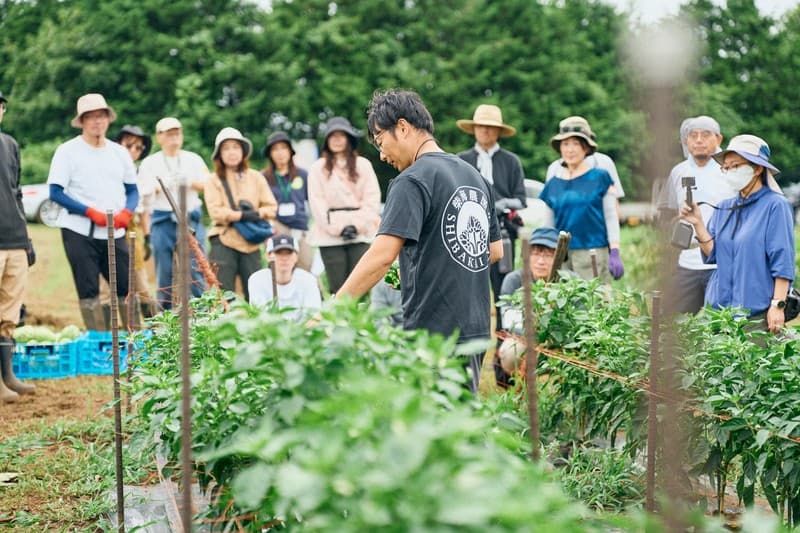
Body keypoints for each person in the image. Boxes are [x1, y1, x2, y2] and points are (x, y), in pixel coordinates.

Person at [336, 89, 503, 393]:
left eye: (380, 141)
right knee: (460, 424)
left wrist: (334, 308)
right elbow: (493, 251)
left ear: (402, 127)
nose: (382, 154)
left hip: (435, 334)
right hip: (476, 328)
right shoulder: (475, 177)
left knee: (433, 431)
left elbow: (382, 256)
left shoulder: (411, 181)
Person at [679, 134, 794, 333]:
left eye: (736, 166)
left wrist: (777, 305)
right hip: (720, 312)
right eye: (727, 167)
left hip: (755, 314)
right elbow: (713, 254)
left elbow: (782, 261)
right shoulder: (725, 207)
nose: (730, 171)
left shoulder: (775, 205)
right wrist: (698, 223)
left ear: (757, 169)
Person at [47, 93, 137, 330]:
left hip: (114, 231)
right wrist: (88, 211)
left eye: (101, 116)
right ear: (82, 121)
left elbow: (133, 190)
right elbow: (55, 192)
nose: (97, 122)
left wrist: (127, 212)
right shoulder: (67, 151)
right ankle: (98, 340)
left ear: (108, 119)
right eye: (91, 117)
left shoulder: (119, 152)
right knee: (88, 289)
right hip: (79, 231)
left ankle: (131, 338)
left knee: (125, 286)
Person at [456, 104, 526, 335]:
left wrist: (500, 206)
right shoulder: (461, 160)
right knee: (467, 293)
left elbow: (520, 199)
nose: (485, 131)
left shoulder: (511, 161)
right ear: (474, 129)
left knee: (503, 294)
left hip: (503, 235)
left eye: (490, 127)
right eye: (481, 127)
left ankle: (503, 355)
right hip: (468, 236)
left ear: (498, 131)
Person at [657, 116, 737, 314]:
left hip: (722, 261)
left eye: (705, 135)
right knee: (678, 323)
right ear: (686, 141)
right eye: (693, 136)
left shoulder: (729, 169)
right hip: (688, 261)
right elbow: (666, 214)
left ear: (719, 139)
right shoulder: (678, 171)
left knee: (722, 326)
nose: (699, 140)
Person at [539, 116, 624, 282]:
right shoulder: (553, 184)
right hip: (561, 256)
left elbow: (611, 216)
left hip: (592, 253)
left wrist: (614, 250)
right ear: (560, 149)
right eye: (565, 144)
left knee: (594, 303)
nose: (570, 150)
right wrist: (548, 252)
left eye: (575, 144)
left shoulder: (600, 178)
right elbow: (548, 226)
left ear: (585, 148)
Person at [137, 117, 209, 311]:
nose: (174, 137)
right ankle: (166, 316)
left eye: (177, 133)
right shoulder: (150, 163)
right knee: (165, 270)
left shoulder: (193, 159)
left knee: (196, 267)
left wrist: (189, 182)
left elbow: (208, 184)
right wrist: (161, 186)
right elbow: (143, 192)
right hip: (162, 218)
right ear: (159, 137)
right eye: (169, 134)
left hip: (190, 217)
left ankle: (201, 313)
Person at [307, 116, 381, 295]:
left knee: (362, 285)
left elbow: (372, 198)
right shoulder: (318, 168)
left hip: (361, 233)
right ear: (327, 140)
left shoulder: (363, 165)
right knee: (337, 287)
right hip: (330, 235)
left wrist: (357, 225)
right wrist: (337, 228)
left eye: (342, 136)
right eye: (333, 136)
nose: (338, 140)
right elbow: (316, 203)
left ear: (349, 139)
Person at [205, 127, 277, 302]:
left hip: (250, 243)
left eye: (236, 147)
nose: (232, 152)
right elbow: (215, 212)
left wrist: (253, 214)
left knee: (256, 294)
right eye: (226, 148)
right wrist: (241, 216)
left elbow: (271, 207)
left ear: (243, 151)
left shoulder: (256, 177)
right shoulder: (213, 180)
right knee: (222, 295)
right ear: (219, 154)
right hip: (223, 239)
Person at [493, 226, 569, 388]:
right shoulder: (513, 281)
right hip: (525, 342)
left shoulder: (570, 283)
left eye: (548, 254)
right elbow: (511, 323)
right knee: (510, 352)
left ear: (559, 258)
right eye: (536, 253)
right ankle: (517, 390)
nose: (541, 261)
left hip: (561, 346)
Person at [96, 124, 157, 326]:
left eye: (138, 148)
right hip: (108, 230)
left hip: (132, 232)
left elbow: (145, 211)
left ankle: (152, 334)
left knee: (141, 285)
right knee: (106, 287)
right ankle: (104, 338)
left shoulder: (143, 174)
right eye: (129, 145)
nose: (133, 151)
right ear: (119, 145)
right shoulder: (107, 169)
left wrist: (147, 238)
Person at [0, 89, 35, 401]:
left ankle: (8, 375)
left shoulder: (10, 144)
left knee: (10, 312)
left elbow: (17, 192)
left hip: (14, 238)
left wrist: (27, 240)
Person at [261, 131, 313, 271]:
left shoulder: (302, 174)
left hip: (299, 226)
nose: (280, 153)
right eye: (275, 149)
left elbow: (312, 200)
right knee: (280, 267)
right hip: (276, 226)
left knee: (305, 265)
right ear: (270, 153)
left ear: (290, 151)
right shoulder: (263, 177)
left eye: (283, 148)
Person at [248, 233, 321, 318]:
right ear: (268, 256)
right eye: (278, 253)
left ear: (296, 256)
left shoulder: (308, 280)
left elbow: (314, 316)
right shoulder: (257, 280)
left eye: (289, 253)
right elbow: (259, 316)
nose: (284, 258)